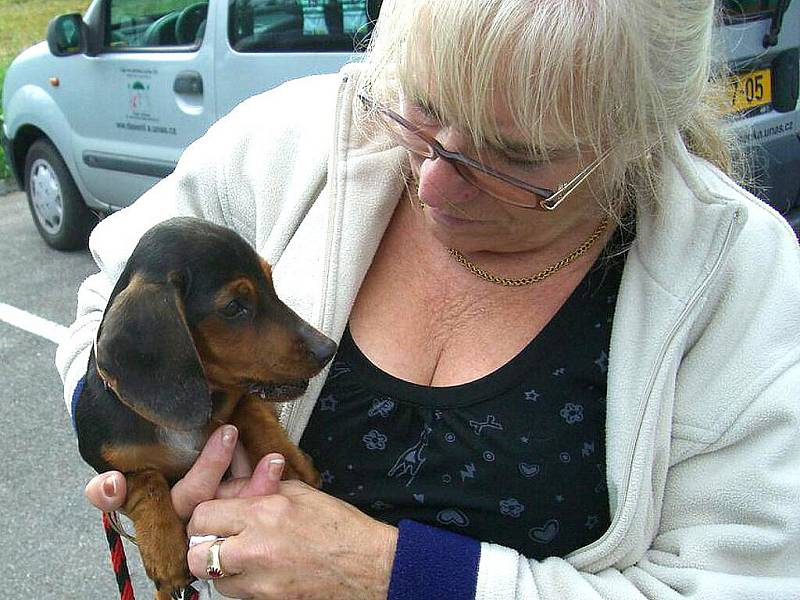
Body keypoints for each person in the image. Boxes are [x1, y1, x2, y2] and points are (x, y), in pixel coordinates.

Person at [58, 1, 800, 598]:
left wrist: (391, 574)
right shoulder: (291, 139)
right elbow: (105, 308)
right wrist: (161, 458)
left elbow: (735, 583)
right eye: (423, 105)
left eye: (516, 155)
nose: (433, 186)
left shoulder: (738, 279)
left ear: (634, 135)